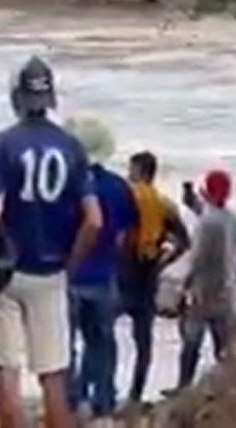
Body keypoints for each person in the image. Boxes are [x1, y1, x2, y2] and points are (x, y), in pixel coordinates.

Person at [0, 57, 102, 428]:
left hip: (9, 270)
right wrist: (71, 262)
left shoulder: (2, 144)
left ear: (17, 97)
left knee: (8, 369)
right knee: (53, 374)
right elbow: (94, 221)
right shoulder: (72, 148)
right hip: (51, 272)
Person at [64, 117, 137, 422]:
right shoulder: (120, 187)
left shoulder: (66, 187)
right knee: (102, 342)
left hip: (69, 275)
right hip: (104, 275)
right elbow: (124, 237)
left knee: (65, 346)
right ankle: (103, 400)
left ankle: (71, 399)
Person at [118, 151, 190, 407]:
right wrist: (164, 261)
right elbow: (185, 242)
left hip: (121, 276)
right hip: (148, 276)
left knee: (102, 334)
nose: (129, 174)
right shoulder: (164, 205)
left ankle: (104, 389)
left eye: (131, 169)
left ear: (139, 171)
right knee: (143, 342)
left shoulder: (126, 198)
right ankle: (135, 395)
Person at [176, 169, 236, 390]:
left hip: (203, 291)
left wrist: (184, 285)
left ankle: (183, 386)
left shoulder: (206, 223)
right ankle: (231, 383)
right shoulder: (232, 219)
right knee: (223, 343)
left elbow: (197, 259)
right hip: (226, 287)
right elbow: (209, 211)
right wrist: (192, 202)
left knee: (191, 341)